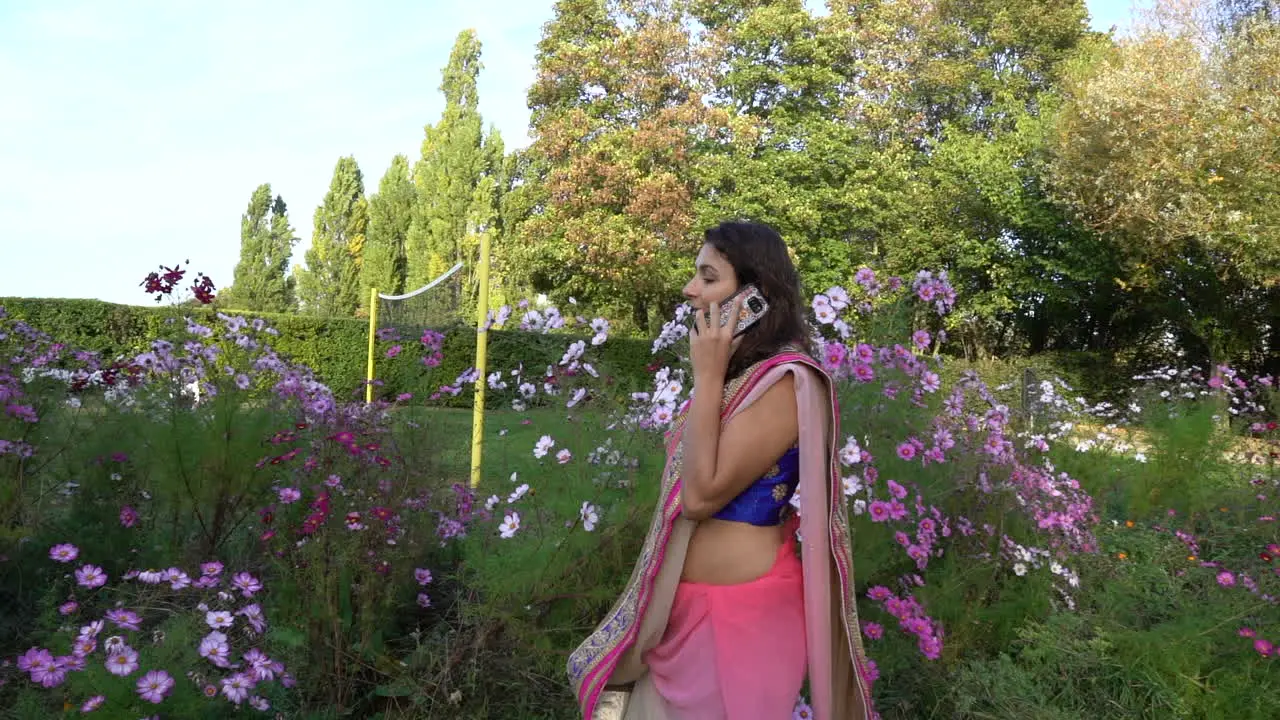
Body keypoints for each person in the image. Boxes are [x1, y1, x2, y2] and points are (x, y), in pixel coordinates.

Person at [566, 221, 875, 720]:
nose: (691, 290)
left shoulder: (785, 383)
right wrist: (713, 376)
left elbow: (701, 496)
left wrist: (707, 375)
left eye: (708, 278)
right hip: (680, 614)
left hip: (743, 622)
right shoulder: (739, 378)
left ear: (756, 294)